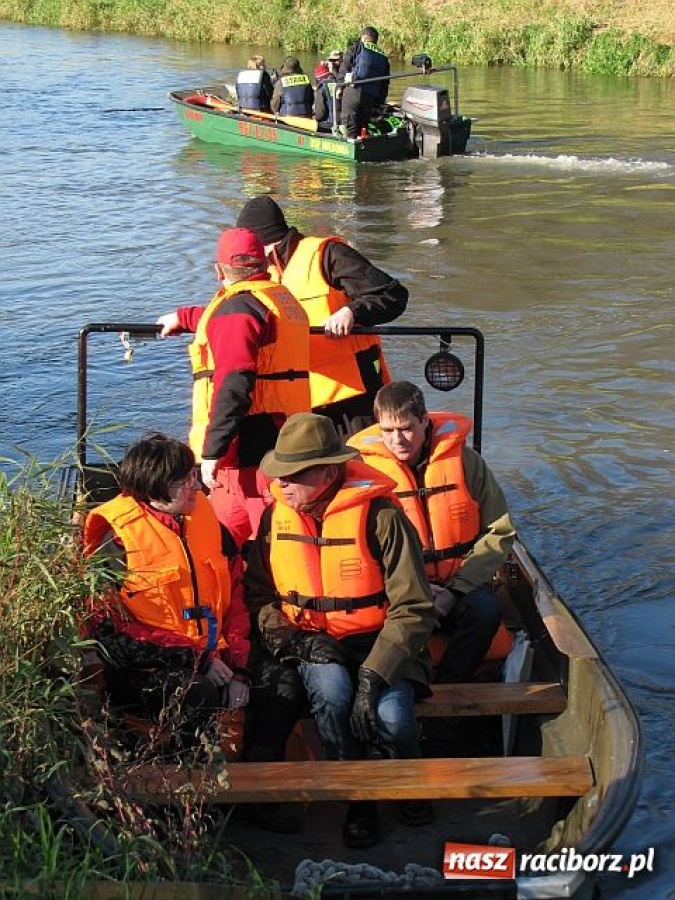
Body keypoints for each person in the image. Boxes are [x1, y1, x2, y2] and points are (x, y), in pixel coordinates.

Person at [83, 434, 306, 833]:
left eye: (192, 476)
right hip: (145, 670)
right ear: (154, 488)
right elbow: (109, 636)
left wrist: (238, 666)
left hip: (215, 654)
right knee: (198, 693)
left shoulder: (205, 518)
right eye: (184, 480)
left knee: (284, 685)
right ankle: (186, 806)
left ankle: (254, 795)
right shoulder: (114, 539)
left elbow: (235, 592)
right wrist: (195, 659)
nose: (196, 486)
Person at [244, 413, 437, 848]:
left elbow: (414, 607)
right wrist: (297, 642)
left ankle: (409, 784)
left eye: (294, 474)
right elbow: (258, 596)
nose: (282, 483)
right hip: (313, 643)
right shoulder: (275, 519)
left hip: (383, 642)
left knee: (392, 717)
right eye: (279, 473)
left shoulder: (383, 519)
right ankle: (357, 801)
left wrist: (374, 673)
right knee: (331, 696)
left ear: (329, 473)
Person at [349, 381, 516, 684]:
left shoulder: (466, 463)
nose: (397, 440)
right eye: (388, 430)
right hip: (401, 591)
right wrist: (416, 589)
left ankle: (449, 685)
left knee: (485, 611)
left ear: (425, 420)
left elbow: (498, 531)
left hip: (459, 583)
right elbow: (359, 545)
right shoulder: (364, 473)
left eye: (406, 428)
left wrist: (455, 590)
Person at [156, 227, 310, 551]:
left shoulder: (238, 311)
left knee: (263, 544)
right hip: (285, 435)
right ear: (264, 265)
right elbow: (232, 319)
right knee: (228, 542)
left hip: (247, 455)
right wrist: (185, 317)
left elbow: (234, 384)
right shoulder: (278, 299)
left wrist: (213, 451)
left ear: (218, 270)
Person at [236, 194, 408, 436]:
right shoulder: (261, 275)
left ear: (263, 244)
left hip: (352, 397)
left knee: (363, 458)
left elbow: (393, 295)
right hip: (298, 402)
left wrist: (351, 312)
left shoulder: (327, 254)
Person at [338, 26, 390, 138]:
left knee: (349, 123)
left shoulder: (357, 47)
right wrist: (378, 103)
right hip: (370, 97)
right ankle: (363, 143)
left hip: (354, 91)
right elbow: (384, 84)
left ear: (365, 37)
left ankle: (351, 142)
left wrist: (339, 88)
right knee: (363, 125)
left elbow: (345, 68)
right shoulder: (384, 58)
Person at [313, 61, 340, 131]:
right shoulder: (340, 83)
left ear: (318, 78)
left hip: (330, 124)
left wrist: (314, 117)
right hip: (344, 121)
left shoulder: (322, 88)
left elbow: (320, 115)